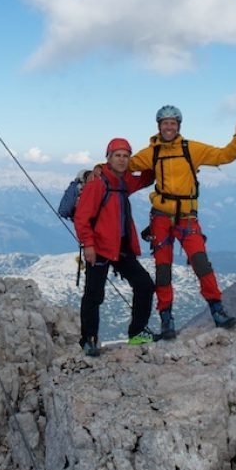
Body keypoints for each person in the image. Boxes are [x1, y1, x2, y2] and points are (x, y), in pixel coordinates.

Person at [129, 105, 236, 339]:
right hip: (162, 217)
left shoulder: (191, 149)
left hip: (186, 217)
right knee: (163, 270)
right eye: (165, 123)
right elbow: (124, 164)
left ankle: (217, 310)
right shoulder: (151, 152)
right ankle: (167, 320)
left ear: (178, 126)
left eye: (173, 123)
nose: (169, 127)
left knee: (201, 264)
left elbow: (223, 155)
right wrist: (96, 171)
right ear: (159, 126)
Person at [74, 138, 156, 355]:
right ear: (108, 158)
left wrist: (156, 152)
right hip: (99, 247)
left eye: (126, 155)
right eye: (117, 155)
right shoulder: (97, 183)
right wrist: (88, 245)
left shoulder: (124, 181)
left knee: (144, 284)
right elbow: (82, 218)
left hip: (121, 246)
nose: (122, 159)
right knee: (94, 293)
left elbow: (148, 177)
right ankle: (89, 339)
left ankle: (137, 332)